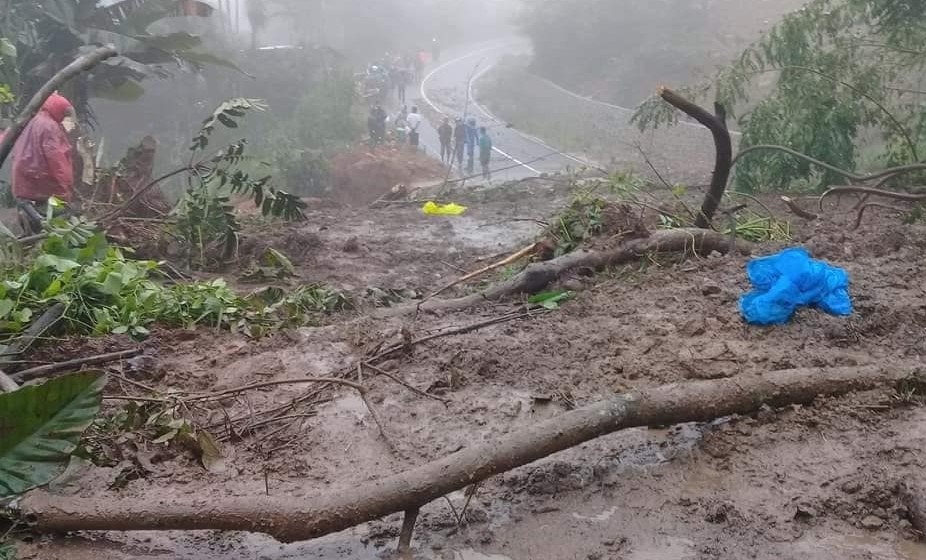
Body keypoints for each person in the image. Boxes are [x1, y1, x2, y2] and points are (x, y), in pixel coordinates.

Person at [9, 93, 75, 234]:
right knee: (58, 209)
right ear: (59, 110)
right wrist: (65, 184)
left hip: (23, 171)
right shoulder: (50, 126)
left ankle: (32, 229)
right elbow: (56, 158)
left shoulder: (33, 119)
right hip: (38, 175)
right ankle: (43, 227)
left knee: (24, 201)